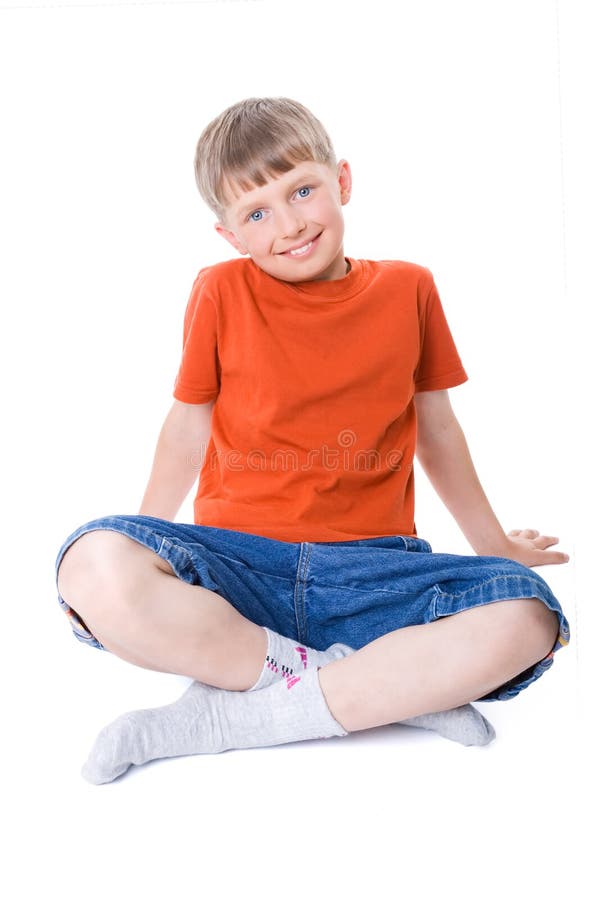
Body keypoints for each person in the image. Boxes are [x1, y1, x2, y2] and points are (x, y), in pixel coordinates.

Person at [55, 97, 570, 785]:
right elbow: (188, 423)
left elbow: (437, 430)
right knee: (90, 566)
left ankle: (238, 714)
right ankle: (366, 690)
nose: (290, 224)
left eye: (303, 191)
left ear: (343, 181)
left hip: (373, 573)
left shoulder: (409, 290)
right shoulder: (219, 292)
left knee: (529, 617)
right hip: (241, 571)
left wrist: (495, 545)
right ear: (228, 234)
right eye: (257, 212)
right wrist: (150, 542)